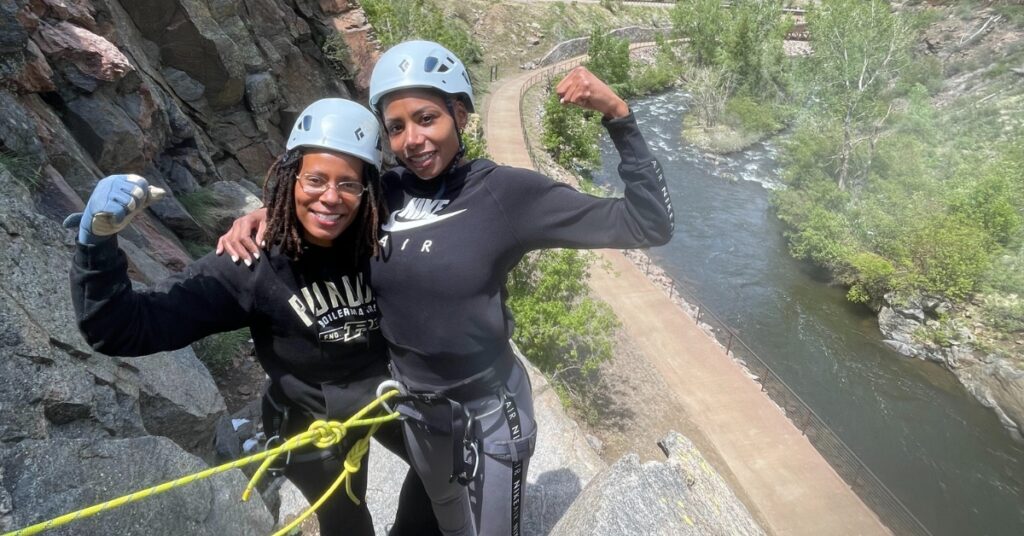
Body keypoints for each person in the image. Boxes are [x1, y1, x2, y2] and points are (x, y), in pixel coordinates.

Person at [218, 40, 674, 536]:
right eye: (396, 127)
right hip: (416, 409)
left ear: (459, 113)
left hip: (488, 412)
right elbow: (325, 207)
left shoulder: (508, 195)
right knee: (438, 520)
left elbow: (647, 224)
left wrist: (618, 115)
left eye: (426, 118)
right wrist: (269, 216)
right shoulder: (382, 194)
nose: (412, 139)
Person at [68, 99, 441, 536]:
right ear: (290, 179)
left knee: (445, 473)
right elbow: (118, 330)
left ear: (367, 191)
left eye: (348, 184)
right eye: (315, 180)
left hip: (384, 396)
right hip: (310, 419)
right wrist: (96, 246)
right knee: (347, 522)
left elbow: (437, 188)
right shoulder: (250, 264)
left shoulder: (379, 233)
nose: (331, 197)